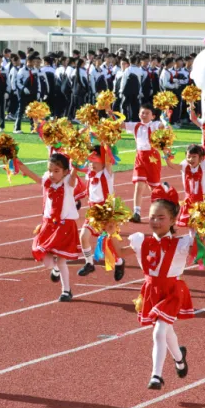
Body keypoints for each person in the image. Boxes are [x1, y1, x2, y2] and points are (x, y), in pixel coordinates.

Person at [111, 193, 193, 390]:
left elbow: (202, 255)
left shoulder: (182, 243)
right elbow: (120, 252)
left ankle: (156, 376)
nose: (155, 221)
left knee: (159, 331)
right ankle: (179, 358)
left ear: (172, 220)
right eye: (152, 217)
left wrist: (200, 233)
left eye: (161, 217)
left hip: (173, 291)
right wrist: (111, 232)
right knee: (166, 330)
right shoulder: (142, 241)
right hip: (151, 291)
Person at [18, 153, 82, 302]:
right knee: (47, 261)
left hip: (65, 225)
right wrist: (15, 160)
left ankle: (66, 291)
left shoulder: (69, 182)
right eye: (50, 170)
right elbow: (33, 176)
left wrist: (77, 160)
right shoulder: (47, 180)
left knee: (61, 260)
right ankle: (55, 269)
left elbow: (74, 173)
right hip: (49, 225)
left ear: (65, 172)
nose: (52, 174)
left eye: (56, 171)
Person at [78, 145, 125, 281]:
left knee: (108, 243)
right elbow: (76, 165)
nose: (92, 164)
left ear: (103, 161)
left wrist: (105, 140)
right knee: (83, 236)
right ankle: (89, 263)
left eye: (95, 161)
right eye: (90, 161)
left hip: (107, 213)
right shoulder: (89, 174)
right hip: (93, 212)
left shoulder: (107, 173)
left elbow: (108, 158)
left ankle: (119, 263)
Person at [123, 103, 167, 223]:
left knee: (154, 188)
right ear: (139, 114)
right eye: (142, 112)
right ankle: (136, 213)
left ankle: (160, 211)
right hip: (140, 158)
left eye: (147, 113)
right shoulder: (135, 125)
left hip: (153, 158)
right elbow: (120, 125)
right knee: (139, 185)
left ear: (153, 116)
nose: (144, 115)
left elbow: (164, 126)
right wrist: (110, 112)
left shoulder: (155, 125)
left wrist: (166, 116)